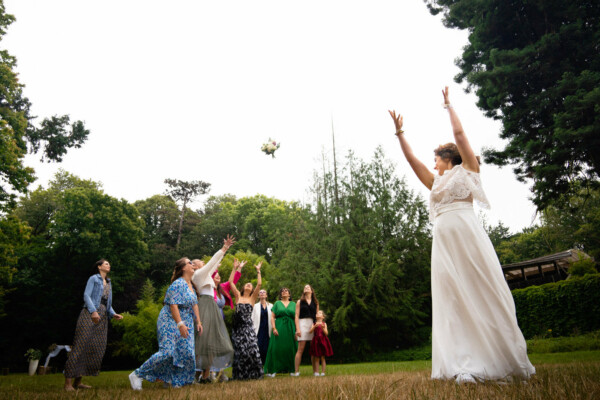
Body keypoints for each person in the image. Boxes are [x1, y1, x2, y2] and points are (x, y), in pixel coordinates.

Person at [388, 87, 535, 383]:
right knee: (451, 299)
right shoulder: (436, 182)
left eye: (437, 160)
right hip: (443, 245)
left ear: (448, 159)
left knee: (481, 290)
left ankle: (497, 357)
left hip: (468, 238)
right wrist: (400, 132)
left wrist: (448, 105)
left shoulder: (469, 169)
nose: (433, 165)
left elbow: (460, 135)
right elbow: (412, 160)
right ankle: (462, 363)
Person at [129, 258, 202, 390]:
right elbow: (173, 305)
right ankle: (137, 374)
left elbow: (194, 304)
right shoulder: (177, 284)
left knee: (187, 353)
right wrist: (180, 324)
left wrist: (198, 321)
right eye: (189, 262)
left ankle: (176, 382)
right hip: (170, 320)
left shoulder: (191, 284)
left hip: (187, 321)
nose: (192, 264)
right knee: (167, 352)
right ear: (183, 268)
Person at [64, 259, 123, 391]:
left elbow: (107, 302)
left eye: (109, 264)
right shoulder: (93, 278)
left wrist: (113, 314)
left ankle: (78, 382)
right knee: (80, 346)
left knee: (93, 348)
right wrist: (93, 311)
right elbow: (86, 295)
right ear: (99, 266)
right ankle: (67, 383)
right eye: (106, 263)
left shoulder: (108, 282)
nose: (109, 265)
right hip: (89, 314)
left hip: (102, 316)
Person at [191, 235, 236, 383]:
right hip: (204, 305)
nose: (204, 263)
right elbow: (212, 263)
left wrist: (224, 251)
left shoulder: (206, 275)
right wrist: (224, 248)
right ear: (195, 266)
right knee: (202, 341)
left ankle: (205, 376)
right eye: (200, 262)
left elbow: (215, 263)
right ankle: (194, 375)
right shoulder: (198, 274)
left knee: (211, 342)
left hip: (211, 306)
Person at [207, 260, 245, 382]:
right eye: (215, 275)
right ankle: (209, 373)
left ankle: (220, 372)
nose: (218, 276)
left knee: (222, 348)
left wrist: (237, 269)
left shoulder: (222, 288)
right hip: (209, 320)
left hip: (220, 321)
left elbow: (232, 281)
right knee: (211, 348)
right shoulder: (207, 289)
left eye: (219, 275)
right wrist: (214, 267)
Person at [229, 261, 264, 380]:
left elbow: (259, 284)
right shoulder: (238, 296)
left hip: (248, 327)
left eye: (250, 284)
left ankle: (254, 375)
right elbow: (230, 282)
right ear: (243, 287)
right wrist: (236, 268)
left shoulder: (252, 298)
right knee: (240, 351)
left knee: (253, 349)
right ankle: (240, 376)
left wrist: (258, 270)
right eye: (247, 284)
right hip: (238, 328)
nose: (249, 285)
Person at [263, 288, 297, 377]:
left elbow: (296, 318)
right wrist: (274, 328)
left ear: (289, 294)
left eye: (286, 290)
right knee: (276, 348)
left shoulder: (294, 304)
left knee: (290, 348)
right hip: (279, 326)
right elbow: (272, 317)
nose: (284, 292)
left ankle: (292, 370)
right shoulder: (277, 303)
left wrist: (297, 330)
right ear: (280, 294)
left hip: (290, 327)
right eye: (282, 291)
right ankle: (273, 370)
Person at [294, 284, 319, 376]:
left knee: (314, 349)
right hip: (302, 324)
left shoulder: (315, 302)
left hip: (312, 324)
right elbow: (296, 316)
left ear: (311, 291)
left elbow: (318, 316)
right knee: (300, 349)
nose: (306, 288)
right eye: (305, 287)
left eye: (308, 287)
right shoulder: (299, 302)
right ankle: (296, 371)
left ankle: (315, 372)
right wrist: (298, 329)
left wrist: (318, 327)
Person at [251, 289, 273, 365]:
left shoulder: (271, 306)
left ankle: (267, 367)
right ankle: (258, 366)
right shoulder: (255, 306)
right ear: (258, 296)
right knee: (258, 348)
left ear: (266, 295)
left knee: (267, 348)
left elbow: (274, 318)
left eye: (264, 292)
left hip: (268, 330)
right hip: (258, 330)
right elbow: (252, 319)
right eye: (260, 292)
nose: (262, 293)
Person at [309, 310, 333, 376]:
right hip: (316, 341)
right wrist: (314, 327)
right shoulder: (314, 324)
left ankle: (323, 372)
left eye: (319, 313)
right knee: (316, 357)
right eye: (317, 313)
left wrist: (323, 328)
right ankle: (316, 372)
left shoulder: (324, 324)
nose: (317, 314)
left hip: (323, 341)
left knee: (322, 357)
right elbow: (310, 331)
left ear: (323, 317)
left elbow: (326, 333)